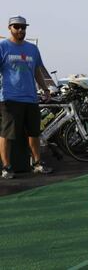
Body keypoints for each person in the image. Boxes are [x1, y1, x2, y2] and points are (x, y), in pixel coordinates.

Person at [0, 16, 53, 179]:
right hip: (10, 98)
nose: (20, 30)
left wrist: (45, 89)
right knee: (7, 134)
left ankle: (37, 163)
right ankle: (6, 167)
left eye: (23, 27)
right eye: (17, 27)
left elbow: (37, 70)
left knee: (34, 133)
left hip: (31, 98)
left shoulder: (32, 49)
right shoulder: (3, 46)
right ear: (10, 28)